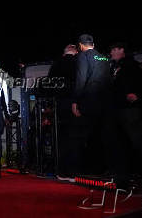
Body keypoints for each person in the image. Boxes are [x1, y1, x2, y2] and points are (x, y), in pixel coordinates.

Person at [108, 42, 142, 181]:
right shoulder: (115, 67)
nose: (111, 53)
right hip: (118, 110)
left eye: (114, 50)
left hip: (130, 110)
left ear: (121, 50)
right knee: (122, 143)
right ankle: (126, 173)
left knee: (138, 141)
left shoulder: (133, 66)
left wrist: (137, 95)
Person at [71, 34, 112, 175]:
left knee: (87, 135)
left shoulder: (83, 56)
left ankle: (89, 169)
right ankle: (104, 168)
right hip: (105, 102)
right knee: (102, 136)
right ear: (93, 44)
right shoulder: (104, 58)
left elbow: (81, 78)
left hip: (89, 101)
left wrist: (75, 100)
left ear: (81, 45)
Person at [48, 44, 79, 181]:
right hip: (76, 104)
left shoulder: (56, 65)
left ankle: (62, 171)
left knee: (62, 138)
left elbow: (49, 85)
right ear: (76, 52)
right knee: (74, 138)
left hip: (60, 105)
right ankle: (72, 171)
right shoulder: (78, 63)